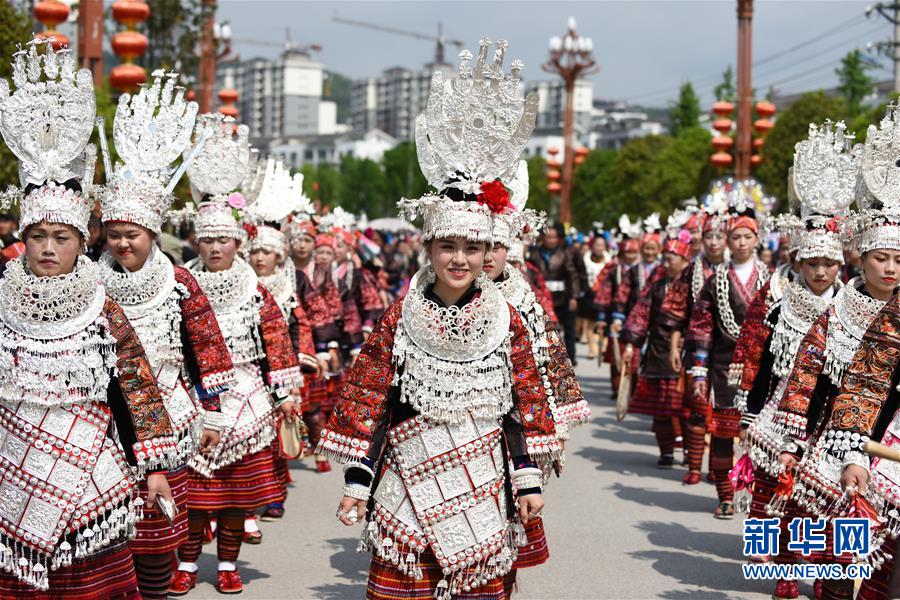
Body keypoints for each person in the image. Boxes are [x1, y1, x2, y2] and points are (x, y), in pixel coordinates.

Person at [319, 39, 559, 599]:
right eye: (446, 245)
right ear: (427, 249)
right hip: (408, 473)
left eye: (471, 248)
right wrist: (358, 480)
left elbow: (521, 405)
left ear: (488, 253)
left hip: (482, 474)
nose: (459, 258)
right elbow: (372, 403)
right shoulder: (400, 318)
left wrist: (525, 478)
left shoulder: (507, 319)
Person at [0, 41, 174, 598]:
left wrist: (152, 466)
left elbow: (135, 390)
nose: (48, 248)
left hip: (89, 466)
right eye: (38, 237)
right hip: (15, 460)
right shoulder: (1, 297)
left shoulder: (102, 306)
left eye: (62, 237)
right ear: (22, 239)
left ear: (82, 242)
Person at [96, 71, 237, 600]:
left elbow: (205, 346)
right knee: (109, 535)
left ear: (152, 234)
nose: (123, 243)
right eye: (114, 234)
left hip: (169, 414)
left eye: (131, 235)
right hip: (106, 421)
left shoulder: (179, 283)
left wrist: (213, 409)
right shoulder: (88, 280)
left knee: (155, 534)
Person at [170, 114, 303, 595]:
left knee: (231, 497)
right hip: (191, 394)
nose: (214, 247)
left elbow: (277, 340)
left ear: (238, 242)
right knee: (191, 494)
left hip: (246, 394)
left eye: (223, 239)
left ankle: (227, 563)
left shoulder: (254, 287)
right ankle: (186, 564)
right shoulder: (179, 282)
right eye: (206, 239)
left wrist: (286, 393)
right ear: (196, 242)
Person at [789, 107, 900, 600]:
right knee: (840, 540)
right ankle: (792, 575)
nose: (892, 269)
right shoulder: (842, 312)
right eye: (882, 258)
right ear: (861, 257)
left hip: (893, 436)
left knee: (886, 558)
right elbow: (811, 372)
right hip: (845, 428)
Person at [685, 187, 771, 519]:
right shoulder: (715, 280)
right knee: (722, 435)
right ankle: (724, 494)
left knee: (758, 439)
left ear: (756, 239)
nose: (741, 242)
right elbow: (702, 325)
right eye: (735, 236)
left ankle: (753, 497)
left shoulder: (771, 280)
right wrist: (699, 370)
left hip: (762, 367)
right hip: (723, 366)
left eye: (747, 236)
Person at [243, 159, 320, 528]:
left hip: (282, 367)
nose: (260, 257)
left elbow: (301, 321)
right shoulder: (238, 282)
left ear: (278, 255)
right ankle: (250, 502)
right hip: (247, 367)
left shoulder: (291, 284)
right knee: (251, 438)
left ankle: (274, 494)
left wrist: (302, 357)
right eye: (255, 251)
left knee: (280, 433)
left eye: (267, 252)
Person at [659, 204, 727, 483]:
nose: (713, 242)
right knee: (697, 406)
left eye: (719, 236)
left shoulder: (740, 270)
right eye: (708, 236)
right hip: (696, 345)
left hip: (729, 350)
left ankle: (718, 469)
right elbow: (676, 313)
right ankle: (694, 466)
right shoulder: (692, 271)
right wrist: (676, 347)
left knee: (724, 413)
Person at [621, 228, 693, 468]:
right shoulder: (657, 286)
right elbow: (641, 314)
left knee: (686, 410)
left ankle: (690, 454)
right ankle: (666, 452)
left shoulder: (697, 286)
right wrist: (631, 344)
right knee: (661, 410)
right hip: (657, 353)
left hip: (689, 353)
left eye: (672, 256)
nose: (668, 260)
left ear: (685, 259)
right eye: (667, 256)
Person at [594, 217, 642, 399]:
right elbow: (604, 292)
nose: (630, 256)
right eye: (627, 253)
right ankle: (617, 388)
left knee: (635, 354)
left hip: (637, 316)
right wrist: (601, 318)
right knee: (616, 354)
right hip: (616, 315)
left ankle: (635, 389)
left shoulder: (644, 270)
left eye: (633, 253)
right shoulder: (614, 269)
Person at [533, 223, 581, 362]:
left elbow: (573, 276)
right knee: (548, 329)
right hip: (543, 299)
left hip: (563, 298)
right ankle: (549, 358)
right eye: (548, 237)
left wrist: (574, 297)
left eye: (554, 237)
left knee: (569, 330)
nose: (551, 240)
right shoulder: (535, 254)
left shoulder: (565, 254)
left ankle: (571, 358)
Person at [580, 233, 609, 359]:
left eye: (602, 245)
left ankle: (604, 346)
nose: (599, 247)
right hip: (590, 294)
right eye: (597, 244)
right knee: (591, 322)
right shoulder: (584, 259)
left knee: (605, 322)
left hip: (606, 296)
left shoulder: (610, 261)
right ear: (592, 246)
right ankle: (592, 349)